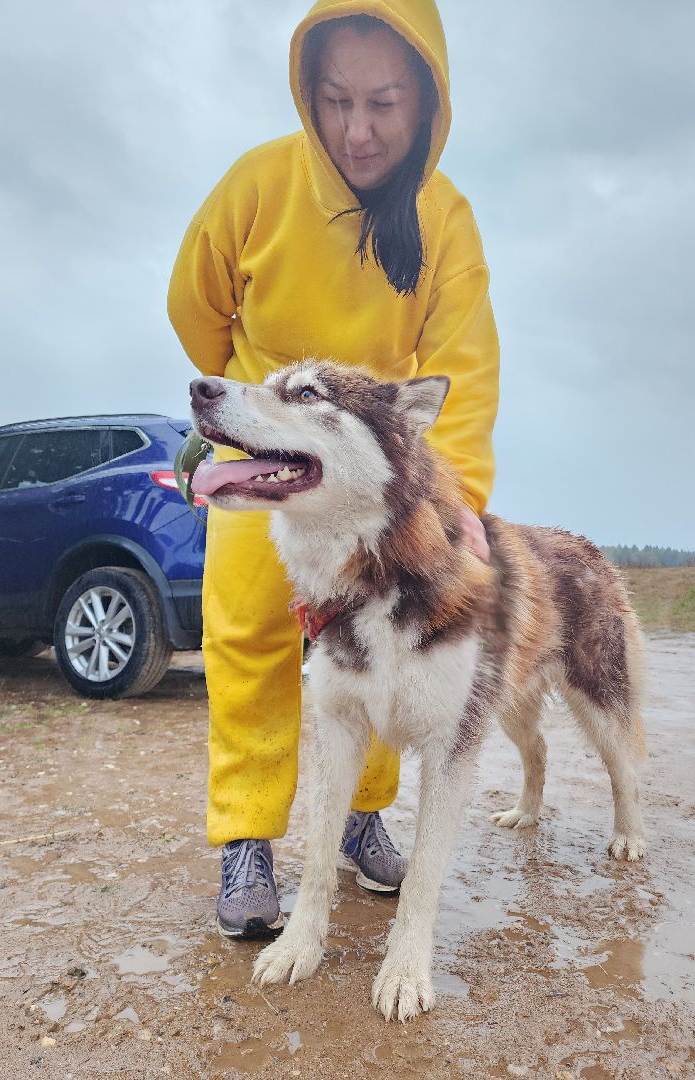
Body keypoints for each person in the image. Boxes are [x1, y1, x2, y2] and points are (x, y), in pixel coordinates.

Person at [168, 0, 499, 940]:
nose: (358, 130)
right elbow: (194, 302)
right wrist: (254, 407)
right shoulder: (259, 183)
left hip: (373, 472)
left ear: (427, 100)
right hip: (269, 448)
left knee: (385, 645)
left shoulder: (446, 221)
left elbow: (465, 367)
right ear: (308, 94)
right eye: (337, 100)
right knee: (249, 646)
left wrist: (460, 495)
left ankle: (360, 814)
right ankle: (247, 842)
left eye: (385, 103)